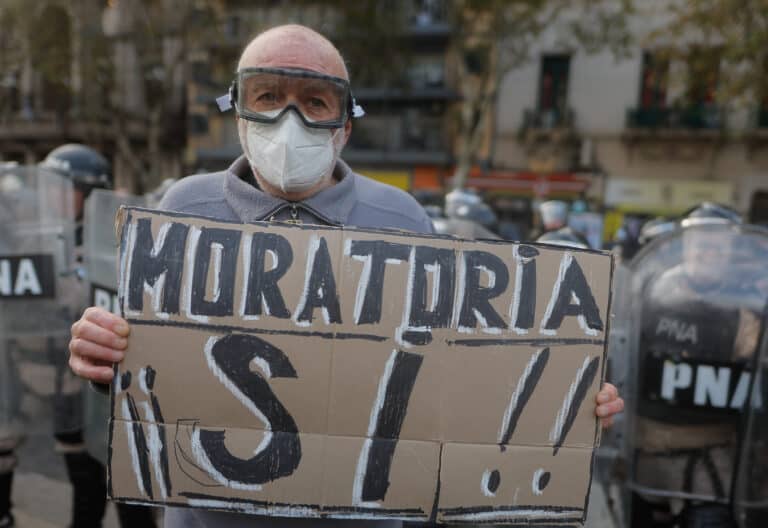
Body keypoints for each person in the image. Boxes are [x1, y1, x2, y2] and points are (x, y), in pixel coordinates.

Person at [66, 24, 623, 528]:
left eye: (315, 101)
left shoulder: (403, 218)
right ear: (239, 112)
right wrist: (106, 357)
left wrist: (565, 398)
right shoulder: (181, 205)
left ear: (345, 125)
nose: (291, 119)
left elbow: (450, 371)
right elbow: (149, 363)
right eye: (268, 96)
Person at [0, 145, 156, 528]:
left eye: (64, 189)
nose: (53, 199)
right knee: (82, 487)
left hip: (107, 396)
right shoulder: (35, 239)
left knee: (126, 492)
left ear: (88, 194)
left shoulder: (117, 244)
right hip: (52, 389)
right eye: (49, 188)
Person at [626, 205, 767, 527]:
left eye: (719, 244)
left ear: (732, 250)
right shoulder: (651, 292)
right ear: (684, 245)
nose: (709, 252)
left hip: (712, 464)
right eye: (700, 242)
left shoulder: (749, 307)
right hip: (643, 460)